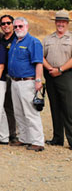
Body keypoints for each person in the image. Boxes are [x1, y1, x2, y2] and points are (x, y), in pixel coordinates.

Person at [8, 17, 45, 151]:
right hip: (14, 81)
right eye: (16, 27)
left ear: (27, 26)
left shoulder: (33, 42)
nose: (18, 29)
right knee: (19, 112)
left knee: (30, 113)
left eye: (20, 26)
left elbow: (38, 63)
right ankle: (24, 138)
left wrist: (38, 80)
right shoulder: (15, 42)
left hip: (27, 81)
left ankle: (37, 141)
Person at [43, 10, 72, 148]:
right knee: (55, 107)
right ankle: (57, 138)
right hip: (50, 74)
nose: (60, 24)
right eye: (58, 21)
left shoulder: (71, 38)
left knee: (68, 108)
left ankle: (71, 140)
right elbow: (41, 56)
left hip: (66, 75)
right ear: (55, 23)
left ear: (67, 23)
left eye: (63, 22)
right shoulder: (48, 39)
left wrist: (60, 69)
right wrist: (50, 68)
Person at [0, 14, 19, 144]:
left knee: (17, 106)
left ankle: (19, 134)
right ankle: (10, 133)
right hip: (3, 76)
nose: (6, 25)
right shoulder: (0, 40)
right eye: (3, 24)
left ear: (13, 24)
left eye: (8, 23)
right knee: (6, 106)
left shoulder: (18, 38)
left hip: (16, 76)